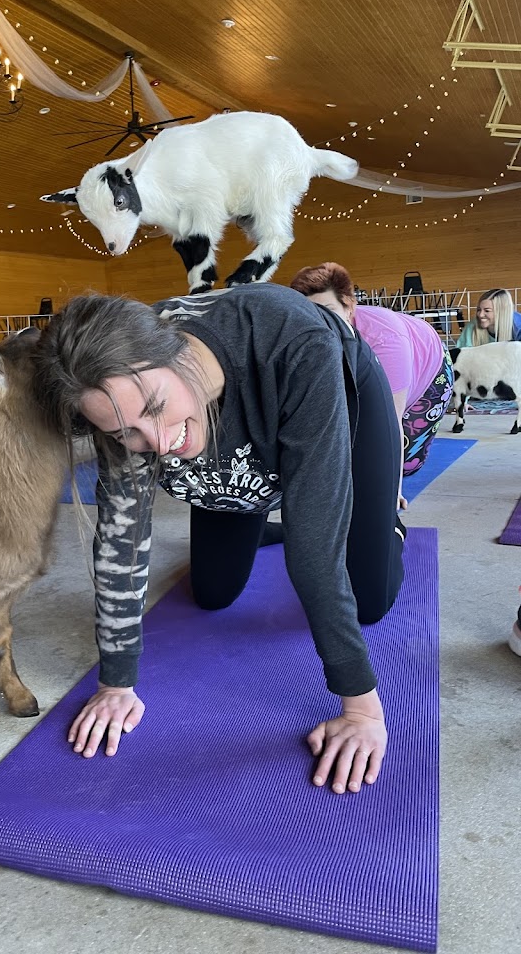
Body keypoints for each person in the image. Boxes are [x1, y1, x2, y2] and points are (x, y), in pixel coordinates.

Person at [34, 285, 407, 795]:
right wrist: (115, 683)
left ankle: (385, 525)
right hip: (235, 452)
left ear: (177, 353)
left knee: (368, 596)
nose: (159, 444)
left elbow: (316, 551)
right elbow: (121, 541)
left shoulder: (295, 343)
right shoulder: (110, 389)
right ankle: (268, 519)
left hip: (343, 395)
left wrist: (361, 709)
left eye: (157, 407)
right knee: (212, 592)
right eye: (129, 434)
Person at [290, 262, 453, 491]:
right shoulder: (301, 336)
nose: (320, 323)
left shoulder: (384, 340)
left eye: (329, 311)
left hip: (429, 363)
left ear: (348, 308)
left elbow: (390, 424)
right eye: (310, 314)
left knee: (404, 462)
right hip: (371, 359)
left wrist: (391, 493)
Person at [455, 288, 521, 347]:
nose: (480, 315)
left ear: (501, 312)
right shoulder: (472, 326)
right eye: (479, 310)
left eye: (487, 311)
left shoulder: (518, 327)